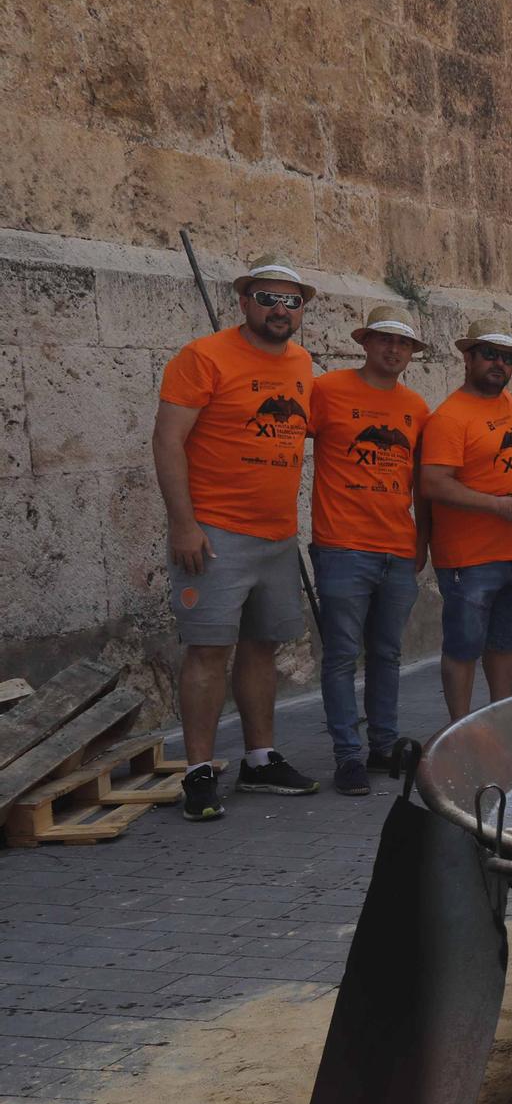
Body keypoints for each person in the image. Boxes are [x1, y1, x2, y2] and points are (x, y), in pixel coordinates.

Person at [151, 255, 323, 819]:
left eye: (291, 300)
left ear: (301, 312)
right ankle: (199, 770)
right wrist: (184, 524)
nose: (280, 308)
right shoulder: (203, 357)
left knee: (261, 649)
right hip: (215, 533)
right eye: (268, 298)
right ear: (244, 302)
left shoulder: (302, 362)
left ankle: (259, 759)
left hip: (277, 536)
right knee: (207, 651)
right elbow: (168, 441)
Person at [308, 305, 431, 796]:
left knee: (387, 653)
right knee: (340, 655)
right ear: (365, 343)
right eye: (384, 340)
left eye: (402, 344)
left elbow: (420, 483)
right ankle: (347, 756)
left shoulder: (416, 408)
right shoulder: (326, 391)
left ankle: (382, 744)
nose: (393, 350)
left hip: (397, 548)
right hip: (342, 546)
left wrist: (421, 540)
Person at [419, 317, 512, 722]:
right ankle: (460, 730)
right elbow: (434, 484)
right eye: (489, 355)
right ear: (467, 357)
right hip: (469, 558)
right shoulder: (450, 417)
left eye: (507, 358)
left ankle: (500, 722)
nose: (499, 364)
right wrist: (501, 507)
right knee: (463, 646)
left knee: (506, 643)